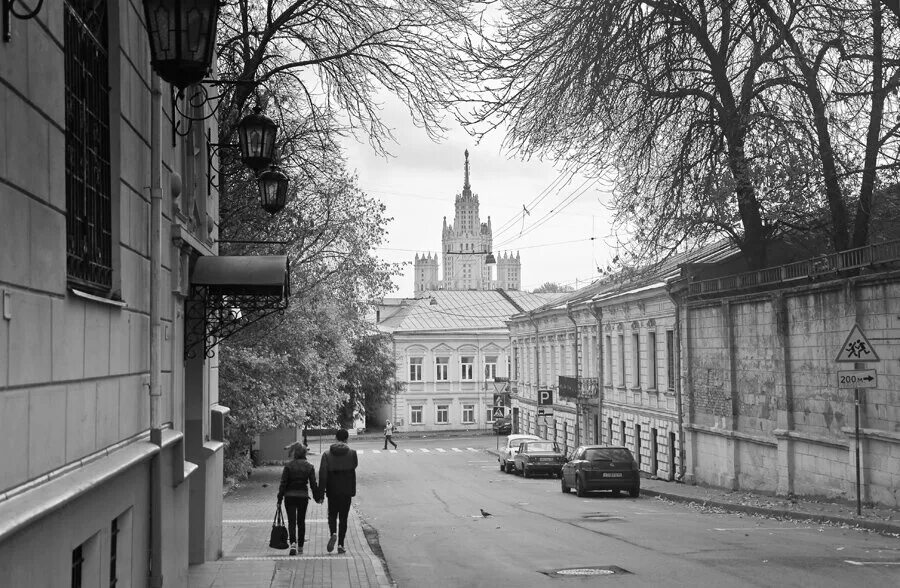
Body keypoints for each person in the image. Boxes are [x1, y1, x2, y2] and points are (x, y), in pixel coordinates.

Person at [319, 428, 358, 554]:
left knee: (332, 514)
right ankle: (341, 544)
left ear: (336, 438)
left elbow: (323, 475)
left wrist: (320, 493)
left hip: (332, 490)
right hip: (346, 491)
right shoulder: (352, 453)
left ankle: (333, 533)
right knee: (343, 518)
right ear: (347, 438)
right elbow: (354, 467)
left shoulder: (326, 454)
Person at [277, 444, 321, 556]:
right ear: (305, 453)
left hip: (289, 496)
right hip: (303, 497)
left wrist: (279, 498)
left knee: (291, 521)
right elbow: (313, 484)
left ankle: (292, 544)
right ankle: (300, 546)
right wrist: (317, 497)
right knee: (301, 521)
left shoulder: (288, 466)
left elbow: (283, 483)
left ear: (295, 453)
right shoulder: (309, 466)